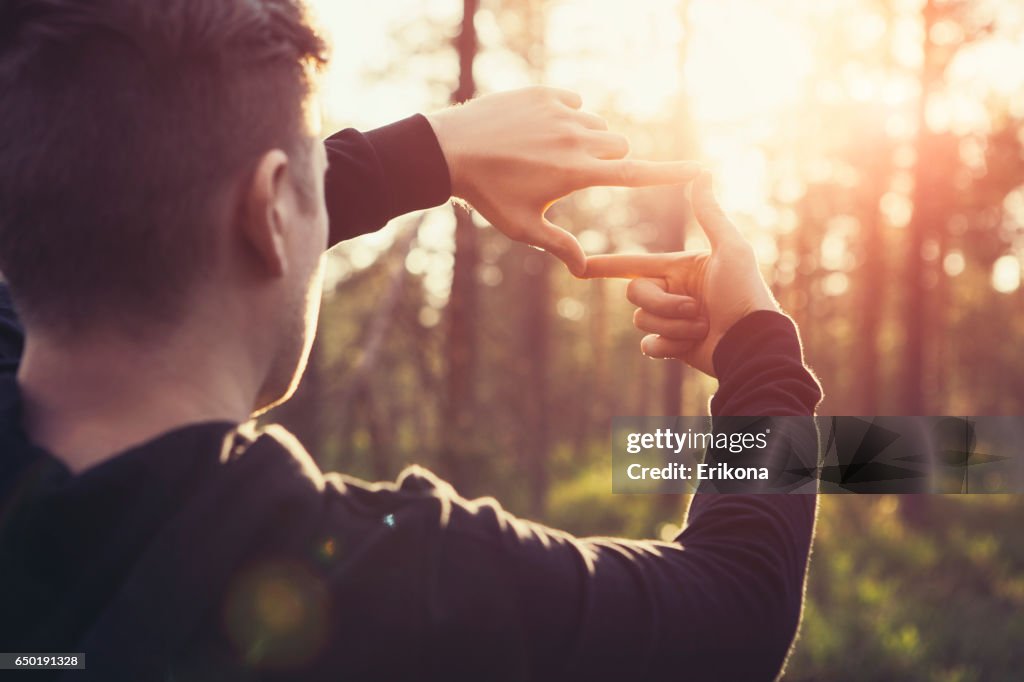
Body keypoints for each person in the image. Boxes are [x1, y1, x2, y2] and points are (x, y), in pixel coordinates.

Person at [0, 0, 822, 680]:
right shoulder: (387, 584)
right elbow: (736, 609)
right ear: (274, 210)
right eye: (311, 187)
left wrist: (431, 151)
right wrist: (759, 358)